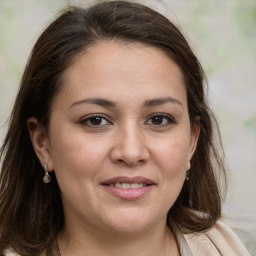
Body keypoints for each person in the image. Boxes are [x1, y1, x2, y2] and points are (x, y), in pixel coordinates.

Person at [0, 1, 251, 255]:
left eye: (159, 119)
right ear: (43, 142)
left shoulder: (235, 247)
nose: (131, 152)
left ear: (191, 141)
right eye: (96, 120)